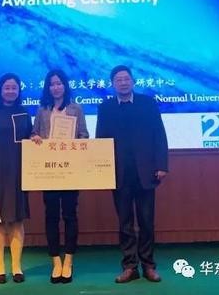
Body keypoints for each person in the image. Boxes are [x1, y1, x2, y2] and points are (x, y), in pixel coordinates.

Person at [95, 65, 168, 283]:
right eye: (118, 80)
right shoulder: (106, 107)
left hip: (146, 173)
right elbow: (101, 140)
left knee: (146, 222)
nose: (123, 82)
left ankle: (149, 266)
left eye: (126, 79)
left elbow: (159, 135)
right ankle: (130, 266)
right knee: (125, 224)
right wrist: (101, 169)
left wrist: (162, 165)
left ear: (133, 81)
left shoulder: (147, 103)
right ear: (113, 84)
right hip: (119, 174)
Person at [31, 69, 89, 284]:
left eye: (59, 83)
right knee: (51, 216)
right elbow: (34, 133)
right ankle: (55, 260)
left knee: (70, 215)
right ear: (48, 87)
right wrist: (36, 138)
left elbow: (84, 135)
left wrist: (76, 143)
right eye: (52, 84)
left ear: (65, 85)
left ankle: (69, 260)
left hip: (71, 170)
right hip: (49, 171)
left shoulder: (76, 109)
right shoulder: (42, 110)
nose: (56, 87)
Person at [0, 73, 32, 284]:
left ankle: (16, 267)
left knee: (17, 220)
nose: (11, 91)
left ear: (19, 91)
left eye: (14, 88)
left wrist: (35, 138)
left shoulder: (24, 113)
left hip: (19, 173)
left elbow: (29, 138)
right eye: (7, 87)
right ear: (0, 90)